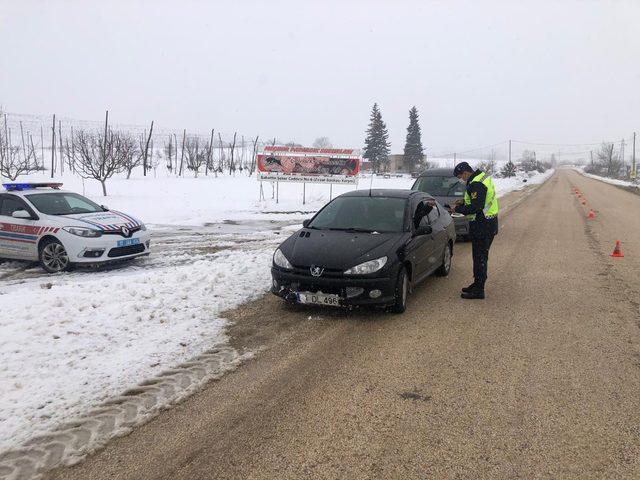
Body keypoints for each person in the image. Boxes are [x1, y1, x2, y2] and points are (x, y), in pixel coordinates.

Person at [450, 162, 499, 299]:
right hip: (487, 224)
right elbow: (478, 202)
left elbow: (477, 207)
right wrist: (464, 202)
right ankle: (477, 284)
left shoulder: (476, 183)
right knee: (479, 257)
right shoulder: (481, 177)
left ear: (466, 172)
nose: (461, 179)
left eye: (460, 176)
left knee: (480, 258)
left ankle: (479, 290)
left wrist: (458, 209)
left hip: (483, 226)